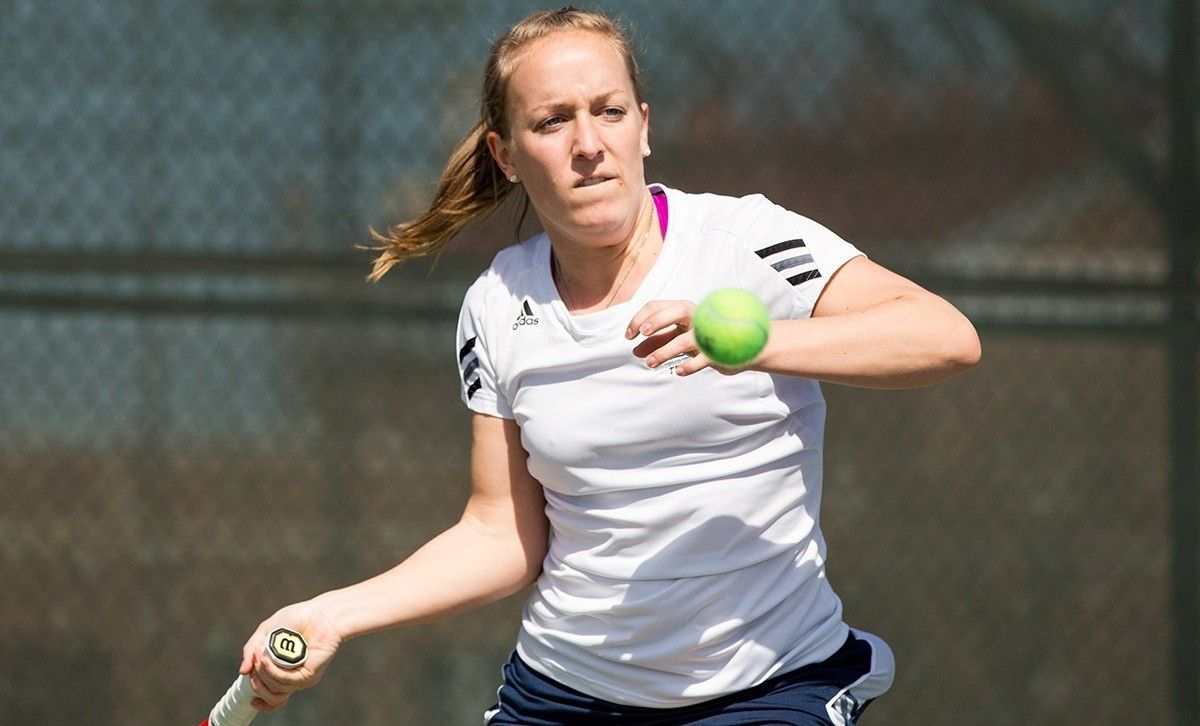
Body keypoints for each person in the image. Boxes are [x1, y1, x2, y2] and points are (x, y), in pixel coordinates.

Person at [236, 7, 981, 725]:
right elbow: (501, 534)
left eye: (610, 112)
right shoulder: (495, 305)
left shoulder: (745, 240)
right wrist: (332, 614)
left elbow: (944, 336)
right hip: (564, 695)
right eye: (552, 121)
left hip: (768, 689)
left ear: (645, 128)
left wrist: (760, 344)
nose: (588, 143)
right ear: (506, 153)